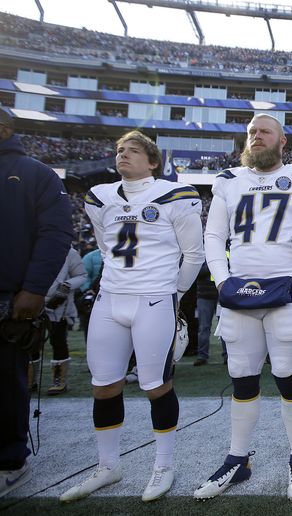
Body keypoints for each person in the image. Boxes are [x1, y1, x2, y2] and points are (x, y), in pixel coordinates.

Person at [197, 114, 292, 501]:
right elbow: (213, 235)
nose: (255, 136)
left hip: (287, 284)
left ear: (282, 141)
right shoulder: (229, 180)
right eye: (251, 132)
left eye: (264, 131)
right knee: (242, 373)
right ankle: (237, 459)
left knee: (285, 371)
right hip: (239, 288)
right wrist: (220, 278)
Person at [60, 130, 205, 502]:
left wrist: (173, 295)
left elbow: (193, 255)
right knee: (104, 384)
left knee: (156, 385)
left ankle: (164, 465)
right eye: (120, 150)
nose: (123, 155)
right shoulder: (101, 197)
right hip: (111, 299)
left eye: (133, 151)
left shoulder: (175, 195)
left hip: (154, 299)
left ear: (153, 161)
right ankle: (108, 466)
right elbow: (106, 247)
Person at [0, 109, 73, 499]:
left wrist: (32, 289)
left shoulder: (34, 173)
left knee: (5, 377)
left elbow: (55, 235)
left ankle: (10, 460)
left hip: (9, 293)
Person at [40, 246, 87, 395]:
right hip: (32, 300)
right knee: (30, 341)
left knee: (57, 340)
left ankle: (59, 379)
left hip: (58, 305)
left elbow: (81, 275)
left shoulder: (69, 252)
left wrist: (66, 286)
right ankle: (29, 379)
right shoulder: (28, 248)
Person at [193, 262, 218, 366]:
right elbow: (196, 272)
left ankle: (228, 356)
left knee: (226, 327)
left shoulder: (227, 249)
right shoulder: (201, 253)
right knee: (203, 328)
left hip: (222, 294)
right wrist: (213, 263)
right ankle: (202, 356)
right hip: (204, 295)